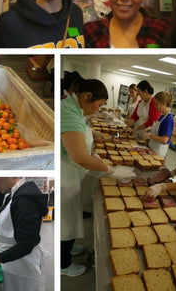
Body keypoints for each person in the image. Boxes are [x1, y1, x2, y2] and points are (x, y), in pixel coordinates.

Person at [61, 79, 114, 277]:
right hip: (65, 177)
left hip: (72, 176)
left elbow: (78, 132)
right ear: (86, 96)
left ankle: (68, 247)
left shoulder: (73, 108)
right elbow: (79, 157)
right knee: (66, 223)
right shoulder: (69, 113)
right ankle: (63, 264)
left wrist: (93, 137)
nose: (98, 109)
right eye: (98, 105)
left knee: (71, 219)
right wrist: (106, 168)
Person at [0, 177, 47, 291]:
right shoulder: (10, 195)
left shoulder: (26, 201)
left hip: (23, 266)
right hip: (11, 262)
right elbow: (1, 219)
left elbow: (26, 245)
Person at [143, 91, 174, 157]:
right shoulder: (162, 116)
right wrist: (151, 129)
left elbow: (164, 140)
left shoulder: (168, 119)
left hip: (158, 153)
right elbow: (159, 131)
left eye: (156, 104)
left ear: (163, 103)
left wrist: (149, 136)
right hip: (152, 149)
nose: (155, 106)